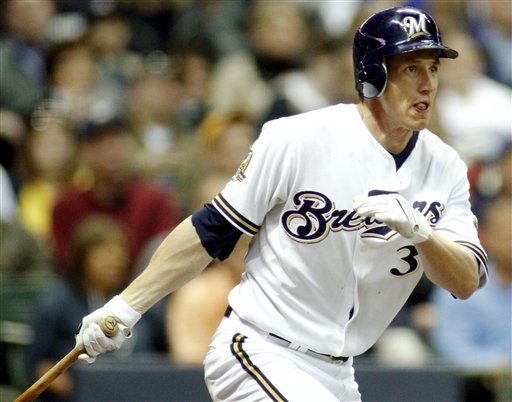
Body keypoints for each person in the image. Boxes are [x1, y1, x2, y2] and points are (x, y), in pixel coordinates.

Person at [74, 7, 488, 401]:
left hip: (340, 371)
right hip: (260, 349)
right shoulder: (299, 138)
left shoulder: (445, 165)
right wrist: (127, 306)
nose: (428, 83)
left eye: (433, 68)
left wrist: (421, 233)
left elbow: (465, 281)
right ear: (373, 74)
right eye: (411, 68)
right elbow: (211, 228)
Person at [27, 215, 167, 401]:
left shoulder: (140, 300)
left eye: (119, 253)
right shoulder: (56, 303)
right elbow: (37, 362)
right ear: (82, 258)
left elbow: (164, 353)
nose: (113, 262)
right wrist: (79, 389)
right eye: (103, 253)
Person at [51, 117, 180, 278]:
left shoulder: (156, 201)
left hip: (146, 294)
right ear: (84, 152)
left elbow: (168, 260)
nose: (112, 151)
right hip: (84, 296)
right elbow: (67, 264)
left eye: (117, 141)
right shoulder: (67, 206)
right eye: (101, 143)